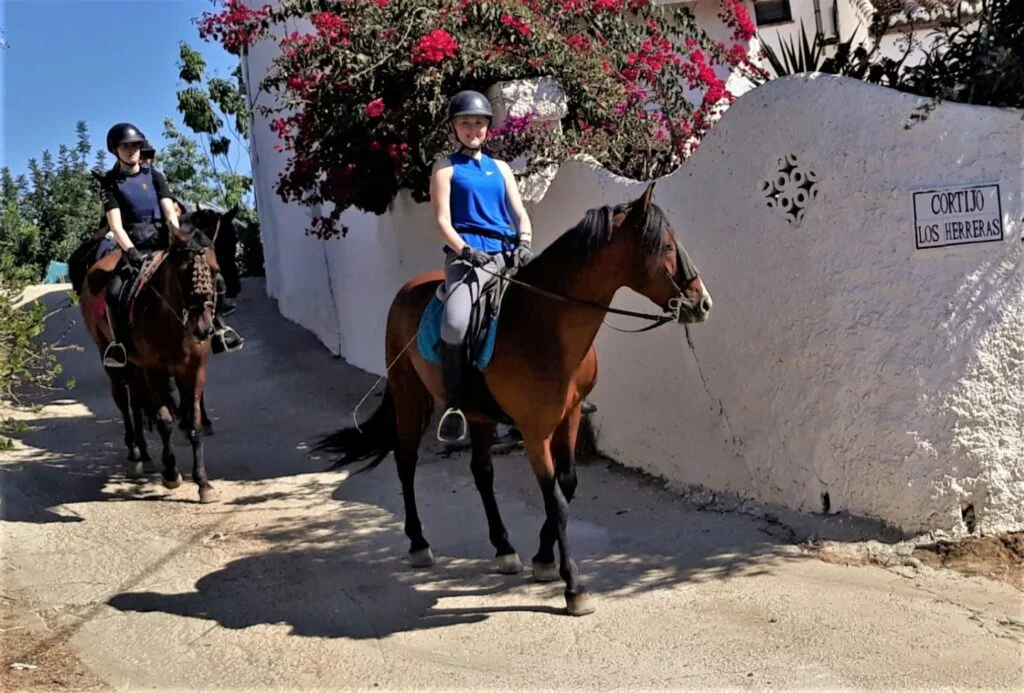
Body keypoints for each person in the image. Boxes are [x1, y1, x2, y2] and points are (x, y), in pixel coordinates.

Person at [428, 90, 536, 444]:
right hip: (469, 257)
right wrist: (465, 250)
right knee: (456, 323)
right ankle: (454, 404)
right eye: (465, 123)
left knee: (550, 306)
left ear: (487, 127)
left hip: (508, 253)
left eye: (478, 123)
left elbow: (518, 212)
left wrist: (524, 241)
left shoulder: (500, 168)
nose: (472, 129)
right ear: (454, 127)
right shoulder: (445, 167)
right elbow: (443, 220)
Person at [96, 122, 242, 367]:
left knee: (209, 273)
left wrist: (176, 236)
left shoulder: (154, 175)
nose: (132, 150)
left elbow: (168, 210)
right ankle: (119, 345)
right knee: (114, 291)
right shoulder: (110, 183)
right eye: (126, 146)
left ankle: (219, 328)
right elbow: (115, 224)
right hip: (134, 244)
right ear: (115, 150)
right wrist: (129, 251)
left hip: (163, 239)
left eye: (136, 145)